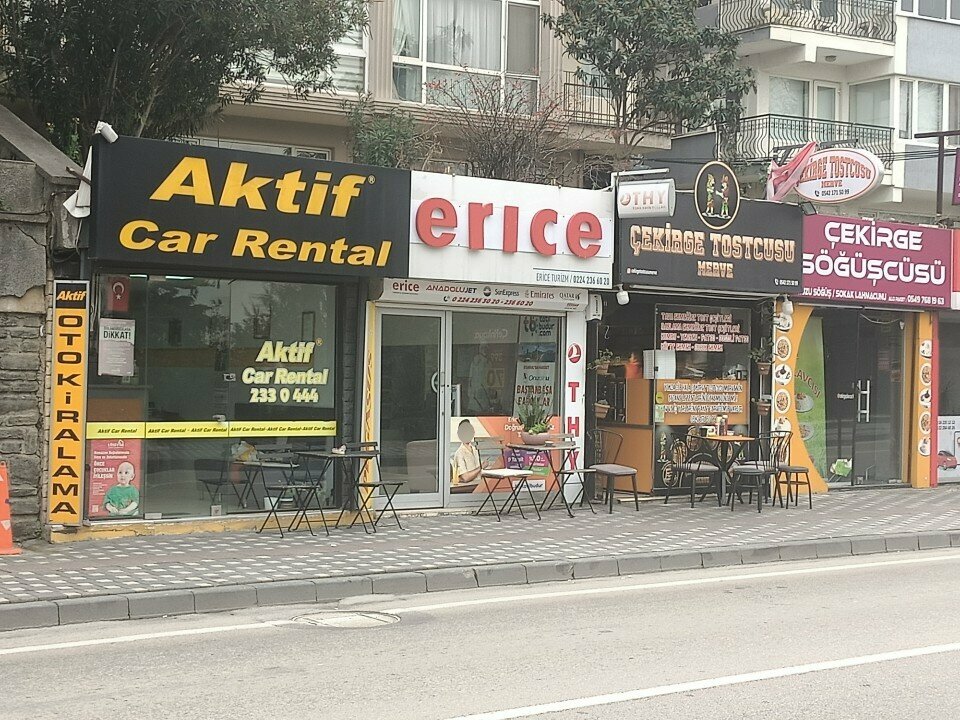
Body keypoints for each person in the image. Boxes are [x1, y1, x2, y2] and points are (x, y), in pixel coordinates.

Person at [451, 419, 482, 490]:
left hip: (479, 485)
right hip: (469, 488)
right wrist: (481, 467)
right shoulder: (459, 453)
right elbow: (465, 477)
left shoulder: (475, 449)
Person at [468, 345, 493, 413]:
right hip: (476, 391)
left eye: (486, 348)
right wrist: (470, 390)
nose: (485, 350)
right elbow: (470, 377)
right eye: (483, 348)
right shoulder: (475, 361)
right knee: (476, 408)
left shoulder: (488, 363)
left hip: (484, 390)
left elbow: (490, 379)